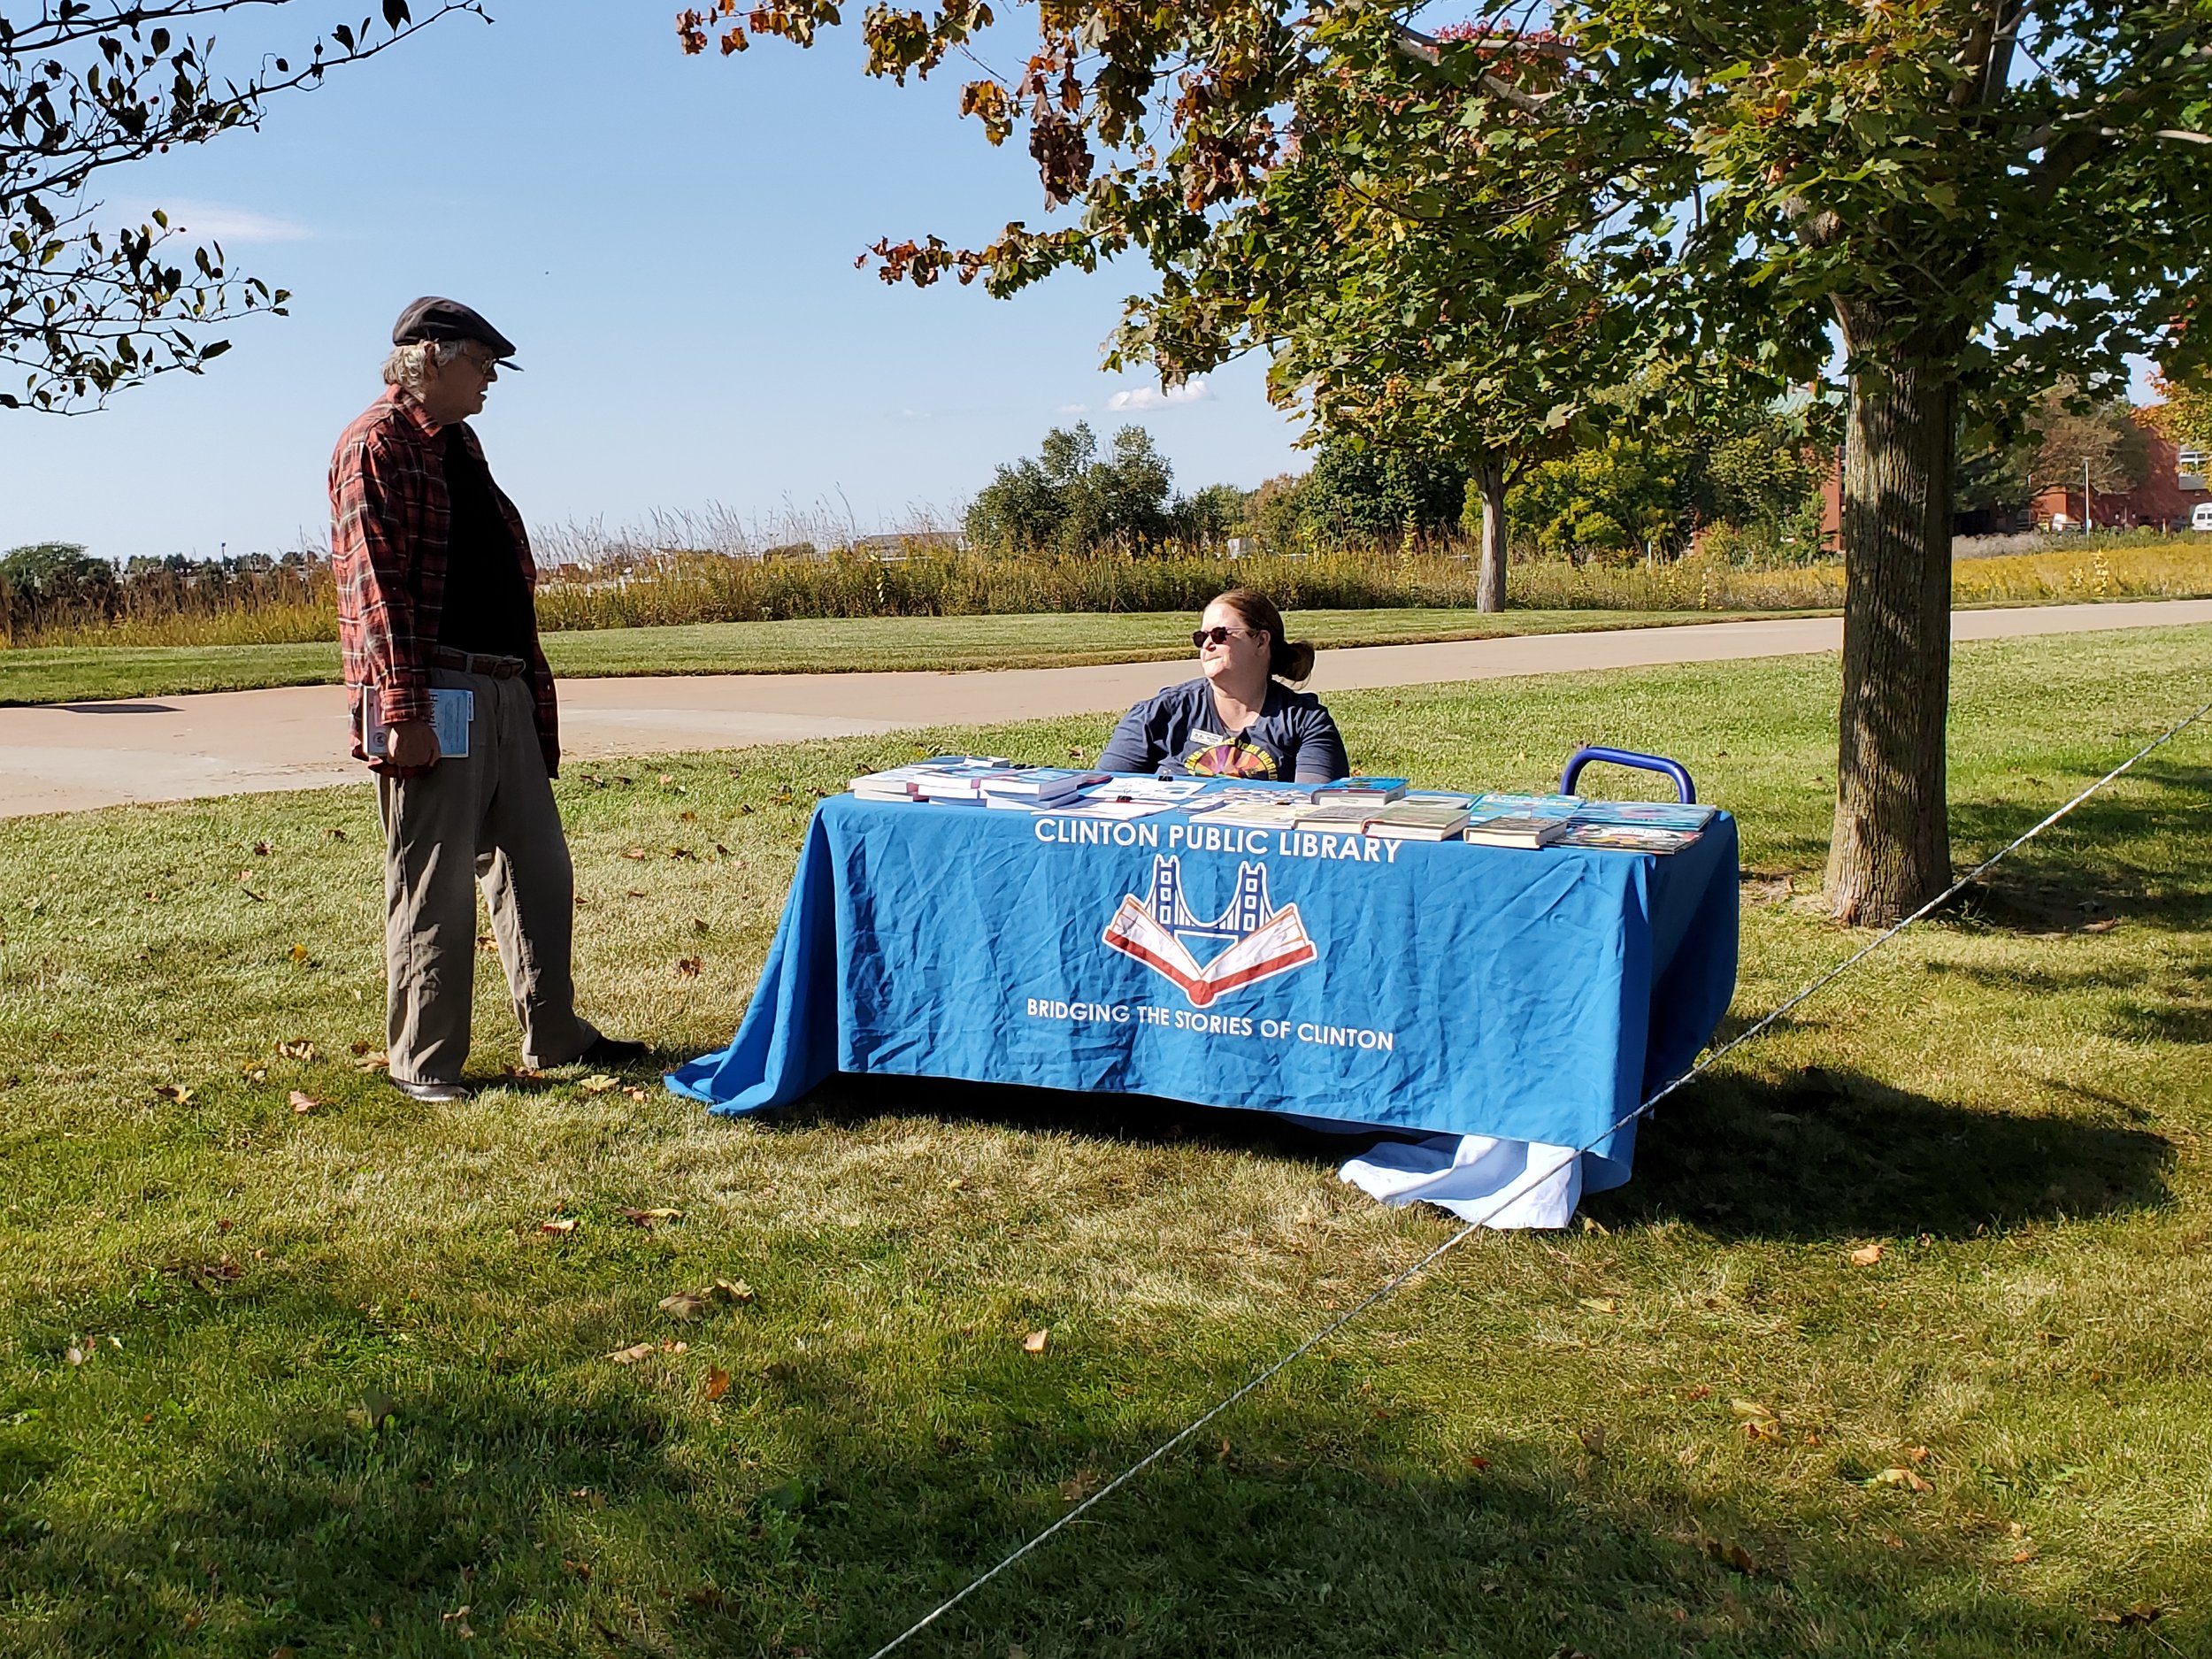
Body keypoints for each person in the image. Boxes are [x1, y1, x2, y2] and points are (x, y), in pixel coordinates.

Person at [329, 296, 646, 1102]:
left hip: (501, 685)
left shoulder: (459, 444)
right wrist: (402, 712)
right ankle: (425, 1063)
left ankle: (557, 1033)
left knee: (538, 866)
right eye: (481, 360)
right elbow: (377, 596)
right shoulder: (375, 445)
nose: (492, 377)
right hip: (434, 687)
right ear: (428, 358)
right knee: (433, 881)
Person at [1096, 588, 1350, 782]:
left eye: (1219, 635)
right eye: (1201, 637)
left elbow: (1317, 814)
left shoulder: (1306, 723)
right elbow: (1102, 798)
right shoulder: (1156, 715)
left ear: (1261, 642)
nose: (1207, 644)